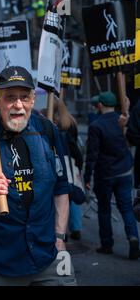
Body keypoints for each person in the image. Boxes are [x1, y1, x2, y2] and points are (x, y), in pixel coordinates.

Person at [0, 66, 76, 286]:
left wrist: (59, 238)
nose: (18, 104)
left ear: (32, 100)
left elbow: (61, 189)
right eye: (10, 97)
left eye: (24, 97)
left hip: (51, 256)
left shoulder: (48, 131)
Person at [84, 91, 139, 260]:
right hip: (124, 171)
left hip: (106, 174)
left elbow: (92, 154)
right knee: (126, 208)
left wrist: (87, 177)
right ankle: (133, 237)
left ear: (100, 106)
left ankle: (107, 244)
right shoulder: (122, 121)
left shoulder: (96, 126)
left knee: (104, 209)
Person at [53, 99, 84, 241]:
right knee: (72, 194)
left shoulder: (52, 124)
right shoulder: (72, 121)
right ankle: (76, 228)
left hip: (60, 163)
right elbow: (76, 147)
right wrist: (79, 165)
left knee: (59, 196)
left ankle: (62, 231)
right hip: (71, 164)